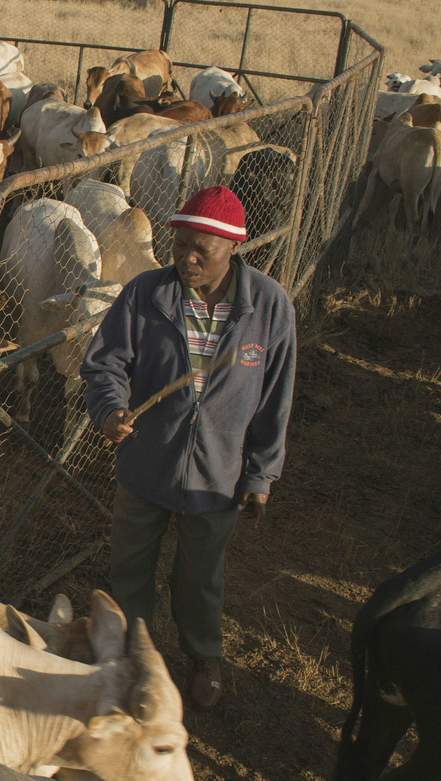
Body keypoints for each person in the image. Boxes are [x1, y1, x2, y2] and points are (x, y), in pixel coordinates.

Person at [79, 186, 297, 710]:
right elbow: (105, 363)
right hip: (146, 466)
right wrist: (110, 410)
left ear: (233, 248)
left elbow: (275, 399)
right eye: (179, 246)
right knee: (131, 568)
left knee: (200, 576)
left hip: (218, 476)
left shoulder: (267, 307)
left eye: (202, 249)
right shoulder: (146, 294)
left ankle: (204, 655)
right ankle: (132, 656)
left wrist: (260, 476)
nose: (186, 259)